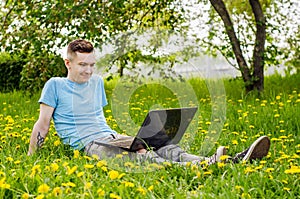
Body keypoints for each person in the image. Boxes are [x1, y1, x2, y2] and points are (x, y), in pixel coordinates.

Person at [27, 39, 271, 166]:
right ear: (68, 63)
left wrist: (125, 139)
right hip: (89, 145)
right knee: (143, 156)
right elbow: (43, 125)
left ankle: (225, 160)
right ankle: (200, 169)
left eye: (92, 64)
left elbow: (97, 119)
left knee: (162, 145)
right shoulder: (55, 85)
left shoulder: (97, 82)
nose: (89, 71)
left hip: (109, 136)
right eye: (83, 65)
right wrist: (31, 157)